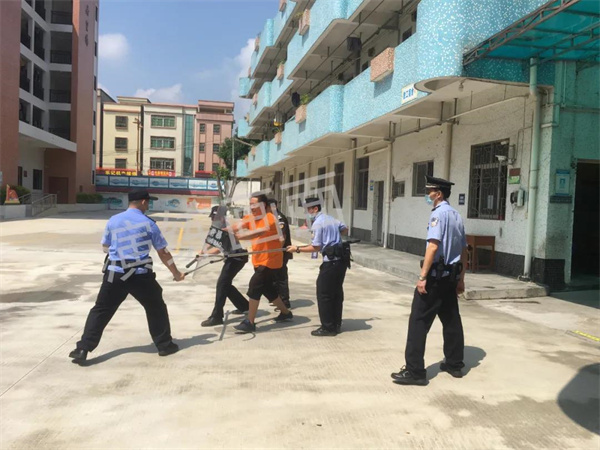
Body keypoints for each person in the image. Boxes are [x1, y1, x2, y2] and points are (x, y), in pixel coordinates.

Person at [69, 189, 185, 365]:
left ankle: (82, 349)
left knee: (101, 310)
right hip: (140, 276)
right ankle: (164, 345)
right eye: (148, 202)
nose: (148, 205)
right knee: (155, 308)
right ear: (143, 202)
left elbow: (105, 246)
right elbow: (163, 252)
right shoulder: (149, 223)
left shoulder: (113, 220)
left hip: (115, 274)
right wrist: (175, 273)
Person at [391, 175, 467, 386]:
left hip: (434, 278)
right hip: (450, 279)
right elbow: (464, 250)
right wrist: (461, 279)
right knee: (451, 321)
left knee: (418, 322)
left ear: (438, 194)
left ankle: (415, 371)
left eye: (429, 191)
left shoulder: (438, 215)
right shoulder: (456, 215)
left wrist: (422, 277)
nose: (427, 195)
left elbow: (433, 247)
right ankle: (454, 364)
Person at [230, 193, 293, 333]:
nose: (252, 207)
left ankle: (250, 322)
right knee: (267, 289)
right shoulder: (250, 218)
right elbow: (237, 226)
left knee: (255, 286)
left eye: (254, 204)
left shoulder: (270, 218)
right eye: (250, 204)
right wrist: (223, 230)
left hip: (270, 261)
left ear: (263, 205)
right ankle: (286, 313)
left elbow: (258, 232)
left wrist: (240, 236)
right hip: (258, 259)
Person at [286, 197, 348, 336]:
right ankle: (336, 324)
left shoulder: (318, 223)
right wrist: (333, 236)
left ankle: (328, 327)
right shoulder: (331, 219)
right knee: (336, 293)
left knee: (324, 294)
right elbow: (345, 229)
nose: (307, 212)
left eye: (308, 209)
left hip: (330, 262)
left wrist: (297, 249)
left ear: (315, 208)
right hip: (341, 262)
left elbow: (316, 247)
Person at [200, 205, 249, 327]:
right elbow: (211, 241)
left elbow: (218, 249)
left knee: (222, 285)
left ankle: (216, 316)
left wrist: (205, 254)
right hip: (232, 258)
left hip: (237, 258)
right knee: (225, 284)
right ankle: (244, 306)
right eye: (212, 217)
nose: (213, 220)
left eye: (215, 217)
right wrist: (202, 251)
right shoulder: (218, 228)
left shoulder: (226, 229)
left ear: (222, 218)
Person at [267, 198, 292, 309]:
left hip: (280, 252)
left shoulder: (279, 218)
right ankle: (277, 299)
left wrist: (276, 252)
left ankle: (285, 302)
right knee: (274, 276)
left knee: (281, 277)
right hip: (274, 252)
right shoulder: (271, 217)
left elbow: (282, 237)